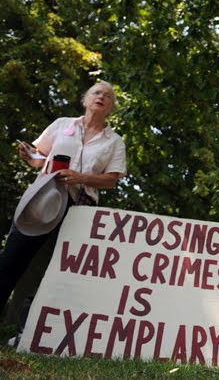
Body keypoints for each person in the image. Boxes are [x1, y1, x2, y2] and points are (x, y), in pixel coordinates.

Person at [0, 81, 127, 315]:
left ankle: (33, 326)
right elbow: (39, 158)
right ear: (85, 100)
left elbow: (111, 180)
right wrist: (28, 155)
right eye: (96, 92)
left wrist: (82, 177)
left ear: (111, 107)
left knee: (61, 270)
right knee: (11, 259)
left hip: (79, 208)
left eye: (108, 96)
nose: (101, 97)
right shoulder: (62, 125)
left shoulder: (115, 141)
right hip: (43, 198)